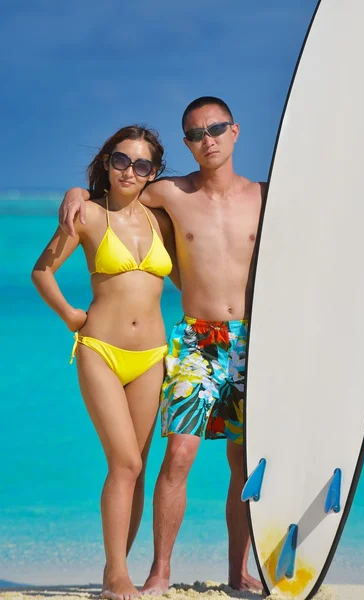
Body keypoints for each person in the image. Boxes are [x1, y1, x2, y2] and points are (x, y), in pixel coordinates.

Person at [59, 97, 266, 593]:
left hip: (255, 340)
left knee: (242, 461)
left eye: (216, 128)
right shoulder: (169, 192)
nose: (207, 139)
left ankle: (239, 571)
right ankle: (160, 572)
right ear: (187, 144)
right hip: (199, 339)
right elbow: (115, 190)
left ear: (235, 131)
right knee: (177, 456)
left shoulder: (265, 195)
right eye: (195, 134)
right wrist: (72, 191)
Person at [32, 125, 179, 600]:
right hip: (100, 351)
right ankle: (116, 575)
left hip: (153, 356)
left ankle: (117, 570)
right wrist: (72, 315)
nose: (129, 172)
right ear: (107, 160)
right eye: (121, 160)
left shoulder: (161, 219)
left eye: (140, 165)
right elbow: (43, 270)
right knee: (123, 462)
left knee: (137, 467)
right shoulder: (88, 215)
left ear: (153, 172)